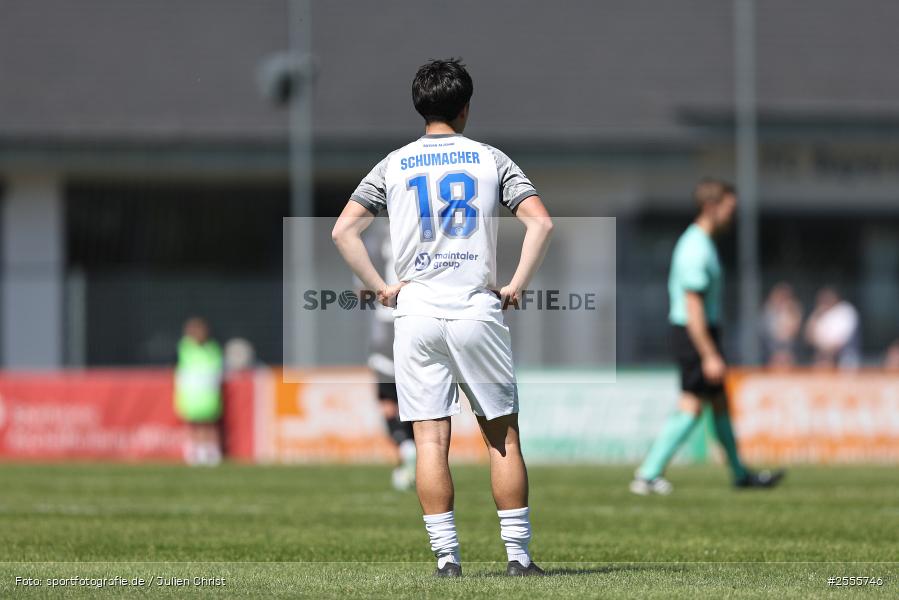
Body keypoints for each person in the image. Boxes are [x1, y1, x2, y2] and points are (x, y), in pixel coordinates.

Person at [332, 58, 553, 577]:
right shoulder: (490, 160)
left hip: (415, 314)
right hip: (476, 308)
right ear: (465, 107)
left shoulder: (394, 164)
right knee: (502, 437)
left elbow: (343, 232)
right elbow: (540, 223)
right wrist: (516, 285)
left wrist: (382, 288)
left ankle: (446, 560)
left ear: (419, 106)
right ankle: (519, 559)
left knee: (430, 440)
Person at [630, 179, 785, 496]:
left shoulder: (703, 243)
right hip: (694, 333)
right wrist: (709, 353)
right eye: (729, 208)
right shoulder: (696, 248)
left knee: (719, 403)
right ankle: (647, 474)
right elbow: (693, 305)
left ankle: (740, 474)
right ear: (711, 207)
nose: (732, 215)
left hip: (701, 332)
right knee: (692, 406)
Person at [363, 219, 416, 491]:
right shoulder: (428, 226)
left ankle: (405, 449)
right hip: (421, 319)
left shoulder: (380, 232)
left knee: (387, 399)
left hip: (385, 324)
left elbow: (361, 284)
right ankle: (416, 454)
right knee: (421, 397)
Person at [174, 317, 224, 466]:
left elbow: (216, 368)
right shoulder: (184, 348)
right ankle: (194, 451)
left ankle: (210, 451)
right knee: (193, 424)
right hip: (191, 396)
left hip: (208, 395)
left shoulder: (213, 349)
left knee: (208, 424)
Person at [804, 287, 861, 369]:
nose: (824, 302)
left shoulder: (845, 310)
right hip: (823, 357)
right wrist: (816, 315)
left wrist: (827, 350)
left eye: (827, 298)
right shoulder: (821, 314)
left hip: (844, 357)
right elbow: (808, 337)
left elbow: (840, 342)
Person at [761, 283, 803, 367]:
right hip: (772, 347)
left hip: (788, 347)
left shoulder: (792, 308)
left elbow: (793, 328)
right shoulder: (769, 309)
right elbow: (766, 329)